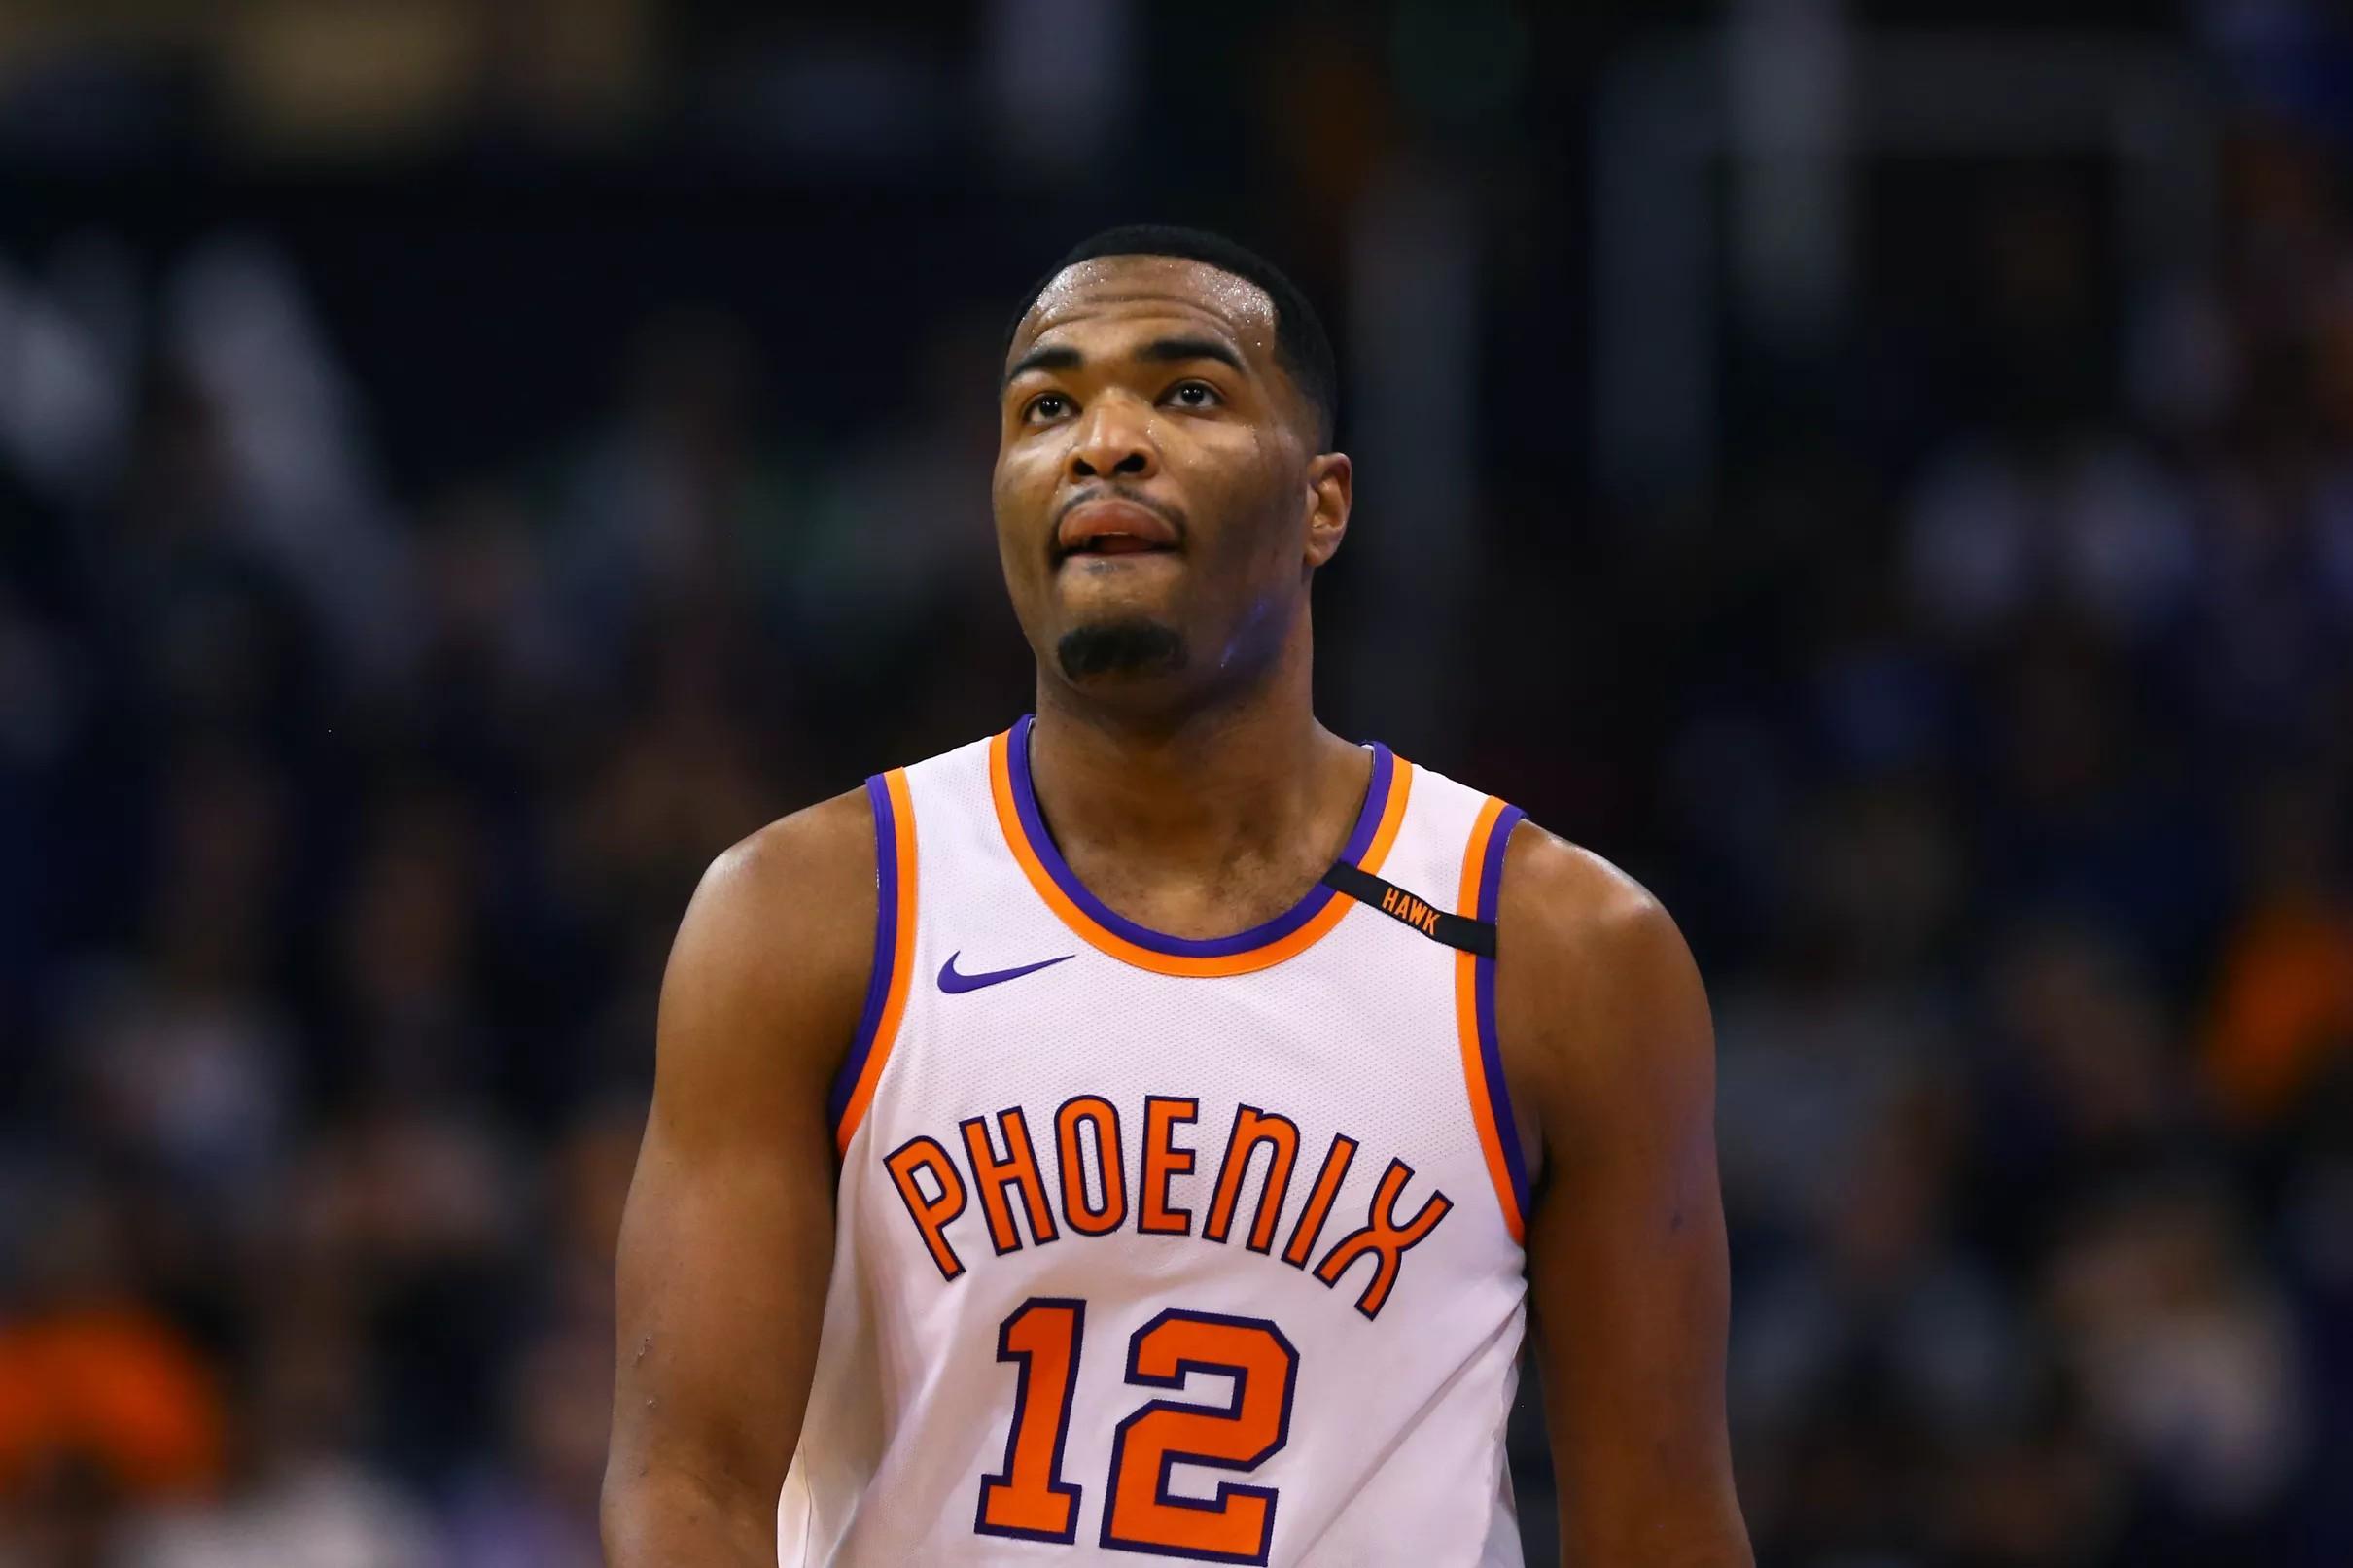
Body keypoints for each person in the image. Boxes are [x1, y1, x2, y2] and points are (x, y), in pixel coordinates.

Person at [601, 225, 1750, 1567]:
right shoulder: (808, 914)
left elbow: (1662, 1525)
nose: (1103, 442)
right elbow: (687, 1485)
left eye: (1188, 391)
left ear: (1324, 505)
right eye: (1046, 408)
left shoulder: (1562, 950)